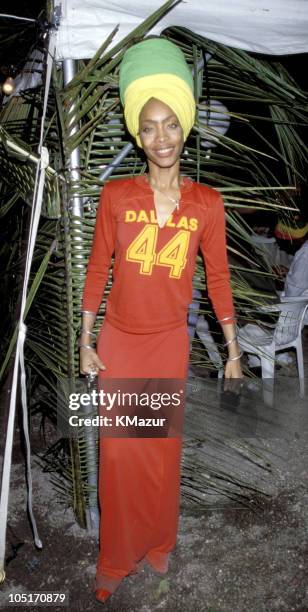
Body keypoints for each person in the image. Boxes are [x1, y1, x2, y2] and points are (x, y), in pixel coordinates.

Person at [79, 37, 243, 604]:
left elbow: (218, 280)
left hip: (170, 344)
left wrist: (233, 349)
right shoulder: (116, 197)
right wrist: (84, 339)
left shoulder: (207, 204)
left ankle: (157, 544)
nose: (161, 137)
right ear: (136, 132)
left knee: (160, 455)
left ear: (186, 126)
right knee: (121, 456)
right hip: (120, 345)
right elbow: (98, 270)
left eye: (171, 123)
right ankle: (114, 558)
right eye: (149, 126)